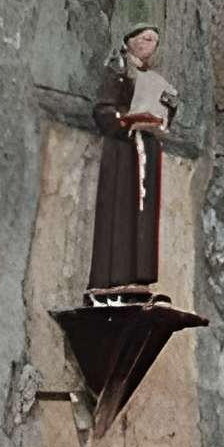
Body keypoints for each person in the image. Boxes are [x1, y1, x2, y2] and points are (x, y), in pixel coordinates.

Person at [89, 25, 175, 296]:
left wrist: (166, 111)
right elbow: (103, 109)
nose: (149, 45)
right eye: (145, 39)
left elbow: (164, 112)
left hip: (147, 148)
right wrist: (124, 120)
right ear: (131, 41)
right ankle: (112, 278)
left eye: (154, 41)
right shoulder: (119, 72)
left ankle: (140, 276)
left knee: (144, 211)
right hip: (122, 151)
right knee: (121, 208)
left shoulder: (154, 79)